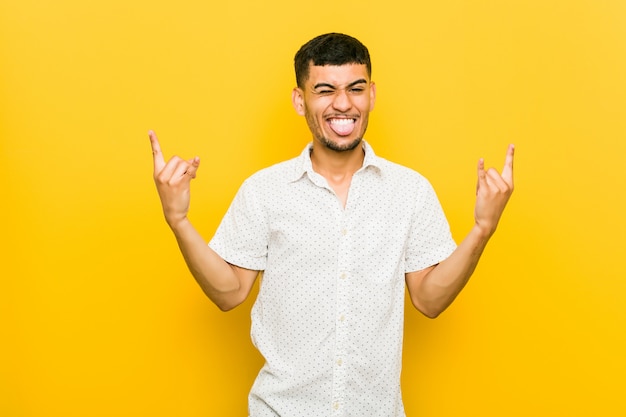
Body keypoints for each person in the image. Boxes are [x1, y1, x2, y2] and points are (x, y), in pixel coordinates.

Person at [149, 33, 514, 417]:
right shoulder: (264, 191)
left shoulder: (410, 191)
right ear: (299, 99)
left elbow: (430, 299)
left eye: (356, 89)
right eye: (325, 90)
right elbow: (229, 293)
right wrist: (178, 220)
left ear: (371, 94)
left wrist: (482, 228)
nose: (343, 104)